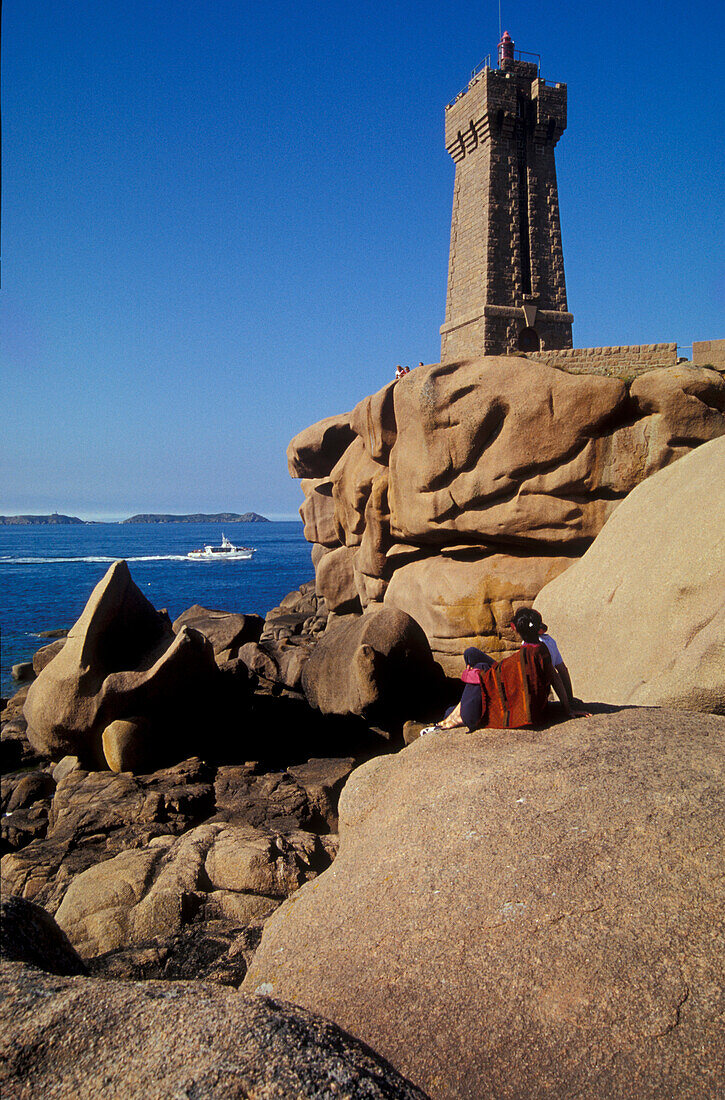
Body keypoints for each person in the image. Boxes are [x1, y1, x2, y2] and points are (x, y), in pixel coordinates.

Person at [421, 607, 586, 734]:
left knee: (480, 672)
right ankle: (453, 711)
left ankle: (451, 718)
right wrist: (568, 707)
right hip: (534, 704)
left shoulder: (523, 656)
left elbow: (490, 677)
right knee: (476, 661)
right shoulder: (542, 649)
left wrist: (470, 674)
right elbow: (556, 677)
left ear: (515, 629)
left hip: (489, 714)